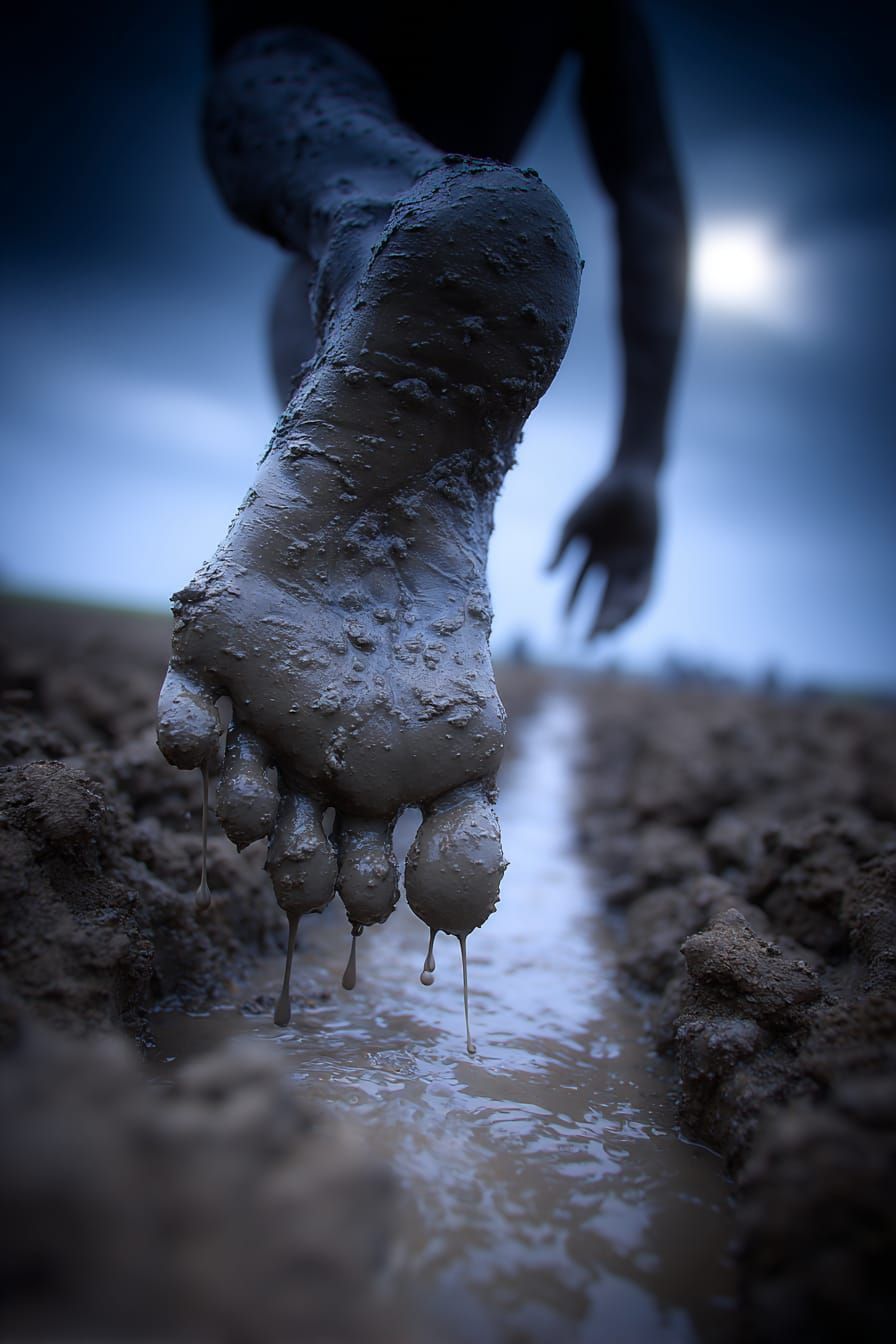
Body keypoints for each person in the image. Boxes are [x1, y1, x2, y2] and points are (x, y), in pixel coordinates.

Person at [156, 0, 687, 1025]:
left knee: (292, 83)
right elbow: (646, 182)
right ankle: (392, 261)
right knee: (387, 251)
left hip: (321, 134)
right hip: (469, 218)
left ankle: (374, 227)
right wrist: (640, 457)